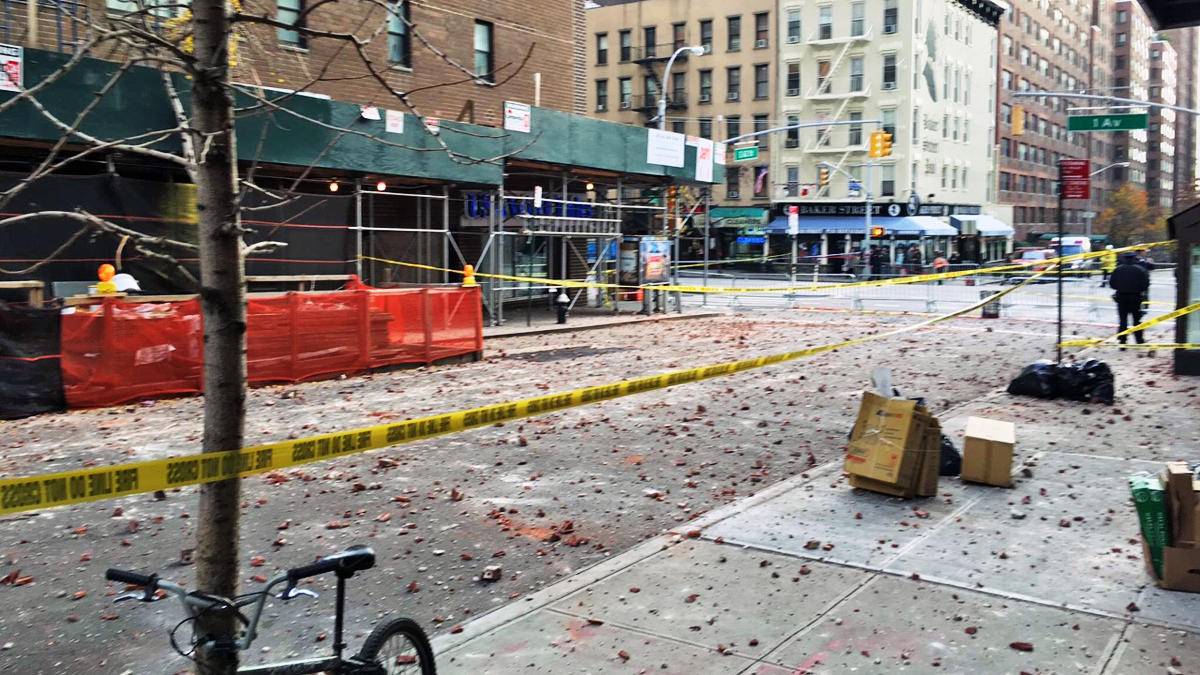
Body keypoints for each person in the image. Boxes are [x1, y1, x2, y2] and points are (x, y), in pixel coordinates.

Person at [1108, 252, 1150, 349]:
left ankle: (1122, 342)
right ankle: (1139, 340)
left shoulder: (1117, 270)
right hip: (1136, 297)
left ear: (1124, 259)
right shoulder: (1140, 270)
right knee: (1137, 320)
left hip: (1121, 297)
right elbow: (1146, 285)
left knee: (1123, 320)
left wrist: (1121, 287)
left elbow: (1112, 284)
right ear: (1134, 258)